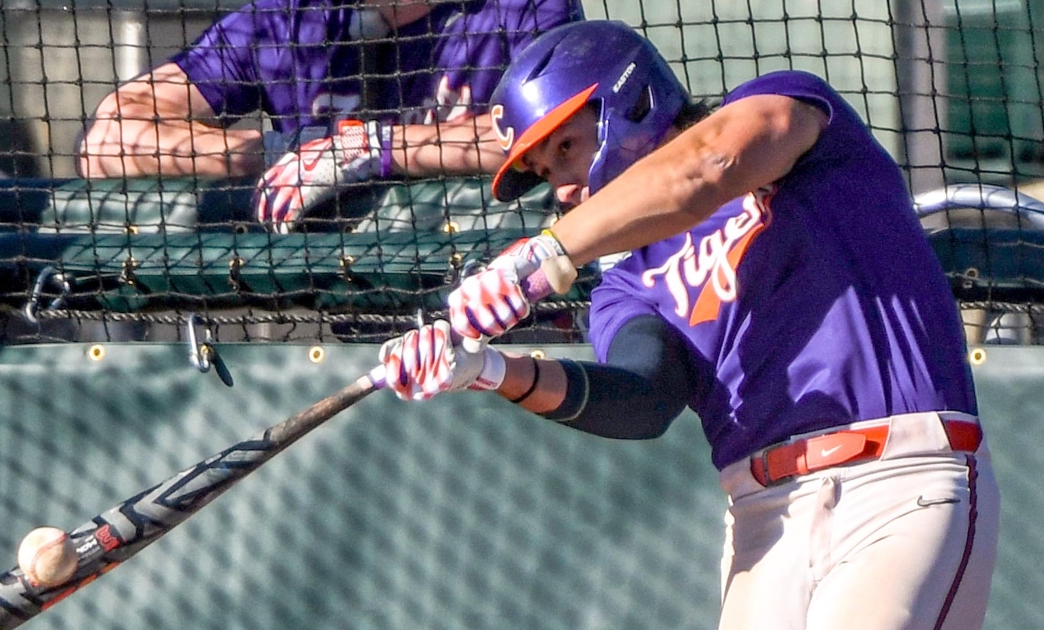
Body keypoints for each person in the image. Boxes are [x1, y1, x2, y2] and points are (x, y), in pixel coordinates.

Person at [377, 20, 1000, 630]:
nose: (562, 188)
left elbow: (708, 165)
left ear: (634, 101)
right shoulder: (624, 283)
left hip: (895, 480)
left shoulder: (784, 112)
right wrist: (487, 369)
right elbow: (642, 397)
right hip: (763, 519)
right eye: (544, 173)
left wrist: (545, 257)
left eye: (566, 147)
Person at [77, 0, 583, 232]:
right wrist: (278, 152)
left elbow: (563, 128)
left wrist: (367, 148)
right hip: (339, 317)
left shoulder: (519, 8)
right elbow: (106, 142)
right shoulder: (285, 21)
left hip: (498, 295)